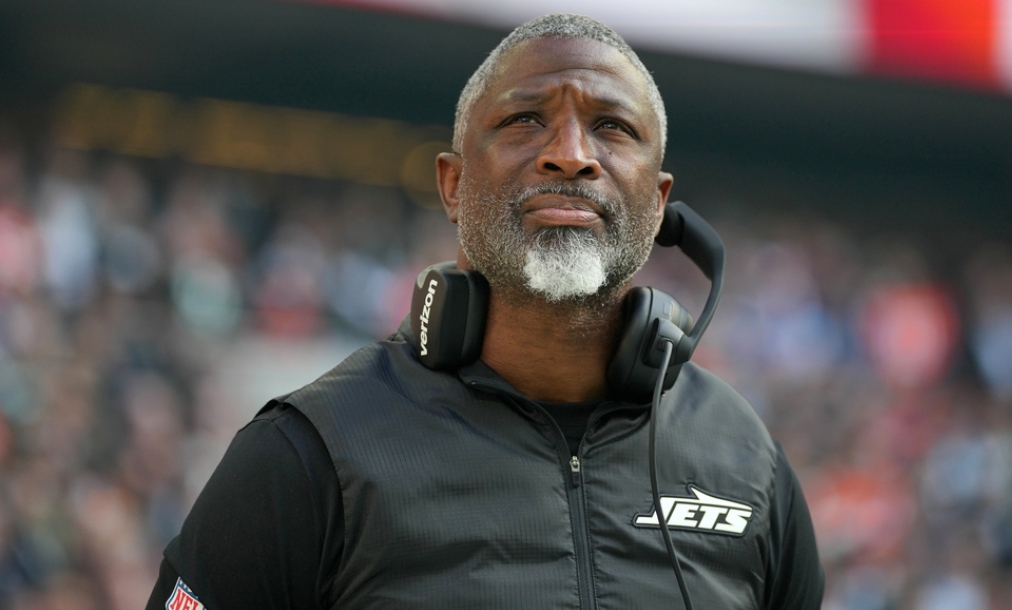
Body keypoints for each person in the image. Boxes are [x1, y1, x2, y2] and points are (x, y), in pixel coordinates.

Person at [146, 13, 824, 610]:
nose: (571, 154)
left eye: (612, 127)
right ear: (453, 183)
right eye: (526, 119)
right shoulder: (308, 452)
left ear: (657, 201)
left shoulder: (749, 465)